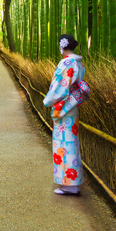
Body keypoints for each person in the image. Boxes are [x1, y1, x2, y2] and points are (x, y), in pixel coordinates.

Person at [42, 34, 85, 196]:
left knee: (63, 145)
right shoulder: (78, 62)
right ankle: (73, 183)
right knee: (71, 143)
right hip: (72, 107)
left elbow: (60, 86)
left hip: (64, 108)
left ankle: (69, 185)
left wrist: (48, 100)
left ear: (62, 46)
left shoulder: (67, 62)